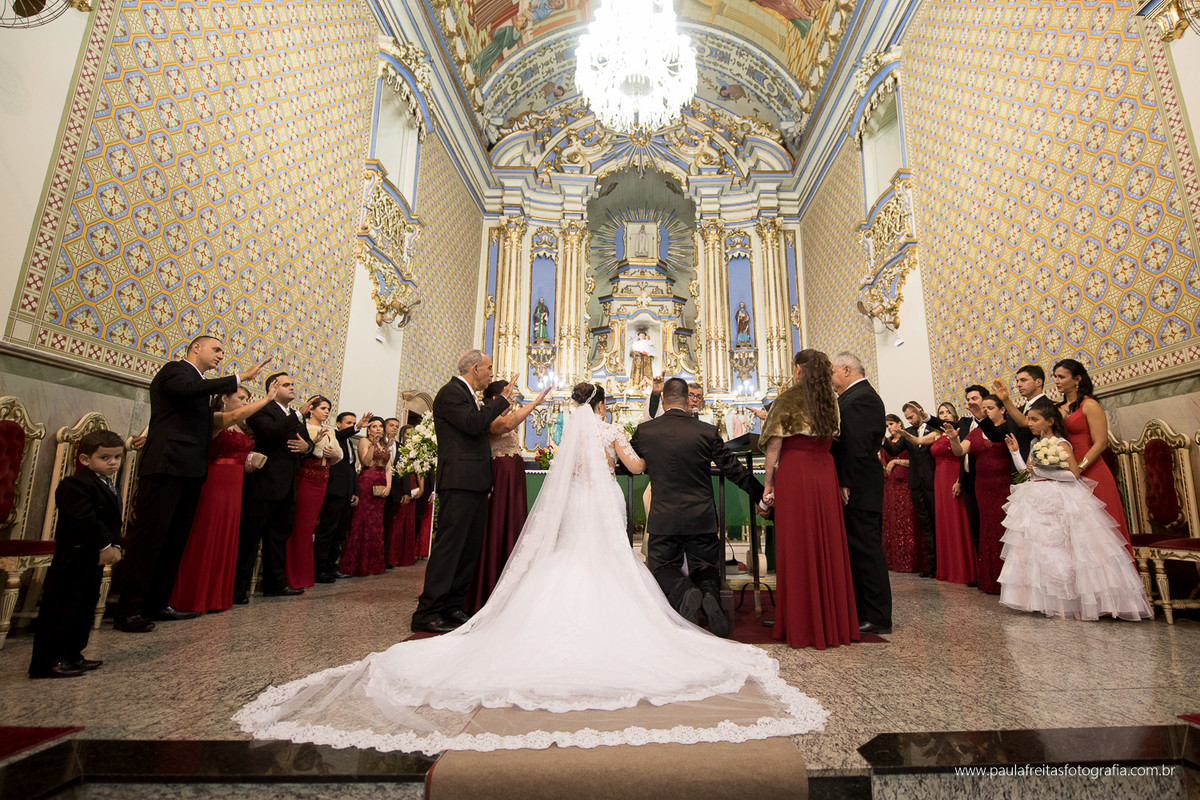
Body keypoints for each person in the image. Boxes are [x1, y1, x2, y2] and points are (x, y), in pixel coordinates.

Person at [235, 385, 828, 754]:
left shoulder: (589, 431)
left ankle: (619, 606)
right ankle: (696, 613)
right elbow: (638, 466)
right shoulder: (632, 430)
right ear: (603, 405)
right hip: (652, 505)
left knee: (592, 558)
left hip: (593, 505)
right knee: (646, 563)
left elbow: (636, 460)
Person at [116, 336, 268, 632]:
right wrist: (240, 378)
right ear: (196, 348)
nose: (221, 355)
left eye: (222, 352)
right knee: (150, 540)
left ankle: (157, 603)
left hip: (191, 470)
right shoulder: (175, 371)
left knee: (174, 541)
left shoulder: (200, 386)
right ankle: (128, 610)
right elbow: (188, 390)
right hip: (166, 466)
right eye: (216, 349)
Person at [632, 377, 764, 637]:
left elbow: (628, 462)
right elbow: (733, 469)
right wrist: (761, 496)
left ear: (664, 400)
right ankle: (709, 595)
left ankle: (685, 591)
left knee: (662, 567)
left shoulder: (645, 432)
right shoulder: (706, 431)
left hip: (664, 516)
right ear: (686, 400)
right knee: (705, 566)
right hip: (701, 515)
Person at [997, 400, 1151, 621]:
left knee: (1066, 549)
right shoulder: (1035, 444)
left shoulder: (1061, 444)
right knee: (1041, 551)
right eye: (1029, 419)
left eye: (1034, 419)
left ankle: (1074, 600)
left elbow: (1074, 474)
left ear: (1050, 421)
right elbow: (1027, 472)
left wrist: (1042, 473)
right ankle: (1047, 600)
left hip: (1060, 498)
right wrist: (1015, 453)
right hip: (1037, 498)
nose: (1029, 423)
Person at [760, 350, 858, 649]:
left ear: (799, 368)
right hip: (824, 471)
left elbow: (774, 446)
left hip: (796, 472)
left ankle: (800, 622)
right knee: (825, 541)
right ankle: (831, 622)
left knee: (797, 542)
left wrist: (768, 484)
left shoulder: (788, 398)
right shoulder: (830, 400)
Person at [411, 351, 514, 634]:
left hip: (474, 481)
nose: (492, 373)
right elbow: (472, 424)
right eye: (489, 368)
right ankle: (428, 612)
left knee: (468, 549)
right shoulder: (451, 392)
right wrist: (502, 400)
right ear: (476, 367)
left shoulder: (467, 394)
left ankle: (452, 605)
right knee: (450, 548)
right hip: (459, 481)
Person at [169, 385, 278, 613]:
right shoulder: (217, 418)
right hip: (215, 481)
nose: (245, 402)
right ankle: (194, 596)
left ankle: (215, 596)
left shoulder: (241, 426)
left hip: (236, 483)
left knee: (226, 534)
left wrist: (249, 461)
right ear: (224, 398)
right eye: (241, 398)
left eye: (247, 399)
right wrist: (268, 399)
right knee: (208, 533)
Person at [29, 431, 127, 678]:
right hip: (73, 557)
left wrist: (115, 545)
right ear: (85, 459)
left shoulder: (108, 485)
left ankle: (73, 654)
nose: (113, 463)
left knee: (84, 607)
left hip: (92, 557)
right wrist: (105, 545)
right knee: (63, 608)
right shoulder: (74, 485)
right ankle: (50, 660)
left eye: (117, 457)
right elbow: (84, 519)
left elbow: (113, 522)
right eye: (105, 457)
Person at [466, 380, 552, 612]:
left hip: (513, 481)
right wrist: (535, 403)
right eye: (510, 397)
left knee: (513, 525)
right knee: (498, 526)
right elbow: (506, 425)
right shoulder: (489, 417)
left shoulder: (500, 415)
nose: (513, 401)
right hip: (500, 480)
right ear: (495, 398)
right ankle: (491, 585)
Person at [233, 373, 316, 604]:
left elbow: (308, 443)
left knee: (278, 537)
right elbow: (268, 432)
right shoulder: (262, 409)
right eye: (287, 384)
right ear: (273, 387)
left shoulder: (293, 415)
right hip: (264, 483)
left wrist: (306, 448)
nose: (292, 388)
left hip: (288, 484)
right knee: (250, 537)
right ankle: (238, 589)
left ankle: (275, 584)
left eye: (293, 384)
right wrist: (298, 415)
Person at [829, 351, 892, 636]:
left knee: (866, 549)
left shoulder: (862, 398)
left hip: (860, 486)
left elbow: (857, 446)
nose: (831, 378)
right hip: (857, 483)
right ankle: (861, 610)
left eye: (833, 372)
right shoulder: (852, 397)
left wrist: (847, 482)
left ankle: (877, 616)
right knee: (857, 548)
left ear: (846, 370)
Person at [1054, 359, 1131, 551]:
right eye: (1055, 377)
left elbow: (1101, 443)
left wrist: (1080, 467)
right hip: (1068, 470)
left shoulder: (1089, 405)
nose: (1056, 381)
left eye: (1061, 377)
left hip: (1092, 469)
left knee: (1102, 528)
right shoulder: (1057, 408)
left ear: (1077, 379)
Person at [903, 403, 976, 584]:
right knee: (944, 522)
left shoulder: (961, 430)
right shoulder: (936, 434)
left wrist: (959, 480)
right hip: (939, 481)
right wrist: (904, 434)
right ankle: (948, 568)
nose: (944, 415)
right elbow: (917, 441)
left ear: (954, 415)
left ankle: (965, 569)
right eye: (941, 412)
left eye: (947, 412)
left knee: (958, 520)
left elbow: (963, 456)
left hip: (955, 477)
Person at [946, 395, 1012, 594]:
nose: (986, 411)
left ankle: (1011, 582)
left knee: (1006, 530)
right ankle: (991, 580)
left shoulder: (1007, 428)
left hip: (1005, 485)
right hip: (982, 487)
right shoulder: (975, 432)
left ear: (1002, 410)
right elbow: (959, 451)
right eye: (984, 409)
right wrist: (954, 438)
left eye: (990, 408)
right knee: (988, 531)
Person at [285, 396, 342, 590]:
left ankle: (304, 573)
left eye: (328, 409)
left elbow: (338, 454)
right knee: (300, 526)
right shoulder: (304, 427)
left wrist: (335, 455)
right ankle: (293, 574)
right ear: (312, 409)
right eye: (323, 408)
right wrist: (315, 446)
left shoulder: (330, 431)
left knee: (310, 527)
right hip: (307, 479)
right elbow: (305, 451)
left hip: (322, 480)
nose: (326, 412)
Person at [882, 401, 937, 578]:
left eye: (911, 417)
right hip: (915, 483)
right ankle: (931, 566)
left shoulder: (933, 429)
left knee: (935, 522)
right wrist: (881, 437)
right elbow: (894, 449)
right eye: (907, 418)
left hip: (931, 481)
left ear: (920, 411)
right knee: (925, 524)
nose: (910, 421)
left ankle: (941, 565)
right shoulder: (909, 432)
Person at [314, 411, 370, 583]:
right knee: (327, 531)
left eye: (353, 422)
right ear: (338, 424)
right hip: (333, 491)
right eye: (348, 423)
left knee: (339, 533)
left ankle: (332, 567)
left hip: (346, 492)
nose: (351, 425)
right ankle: (319, 569)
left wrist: (355, 491)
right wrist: (357, 427)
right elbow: (341, 435)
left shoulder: (349, 444)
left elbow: (351, 470)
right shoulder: (334, 437)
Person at [340, 418, 390, 577]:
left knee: (376, 523)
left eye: (380, 426)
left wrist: (388, 486)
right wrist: (373, 445)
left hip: (382, 481)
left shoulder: (384, 445)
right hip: (367, 480)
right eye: (374, 426)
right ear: (369, 430)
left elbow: (388, 468)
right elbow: (366, 462)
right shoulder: (364, 441)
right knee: (362, 520)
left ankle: (374, 564)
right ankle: (356, 564)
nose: (378, 429)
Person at [880, 414, 924, 573]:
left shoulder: (907, 438)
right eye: (887, 426)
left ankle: (912, 561)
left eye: (891, 424)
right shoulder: (886, 443)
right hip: (890, 484)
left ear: (900, 423)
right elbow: (884, 462)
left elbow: (917, 461)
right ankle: (894, 561)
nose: (890, 428)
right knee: (892, 521)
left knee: (908, 519)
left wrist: (896, 461)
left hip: (905, 483)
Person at [385, 425, 423, 569]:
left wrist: (420, 488)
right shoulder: (399, 447)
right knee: (396, 523)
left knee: (408, 522)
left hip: (408, 486)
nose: (409, 437)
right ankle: (391, 556)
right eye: (407, 434)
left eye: (411, 434)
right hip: (397, 486)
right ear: (402, 435)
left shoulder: (415, 450)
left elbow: (417, 470)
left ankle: (402, 556)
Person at [956, 384, 988, 553]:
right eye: (968, 399)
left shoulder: (992, 423)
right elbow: (962, 453)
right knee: (974, 526)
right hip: (968, 480)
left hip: (985, 479)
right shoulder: (965, 423)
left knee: (988, 524)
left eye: (974, 398)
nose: (970, 402)